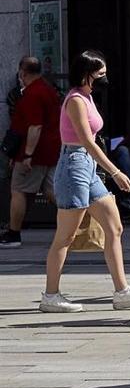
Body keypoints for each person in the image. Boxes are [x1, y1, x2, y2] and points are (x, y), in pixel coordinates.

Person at [39, 51, 130, 313]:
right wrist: (115, 171)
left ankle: (122, 291)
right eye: (100, 74)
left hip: (88, 169)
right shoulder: (76, 101)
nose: (105, 78)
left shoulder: (88, 97)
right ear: (86, 74)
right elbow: (87, 142)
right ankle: (51, 295)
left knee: (113, 227)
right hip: (75, 167)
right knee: (65, 237)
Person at [5, 58, 60, 248]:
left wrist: (27, 154)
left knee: (18, 190)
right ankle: (81, 223)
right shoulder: (48, 90)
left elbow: (34, 126)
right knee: (53, 191)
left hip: (33, 154)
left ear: (23, 72)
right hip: (51, 151)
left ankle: (13, 234)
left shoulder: (32, 94)